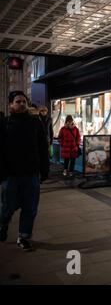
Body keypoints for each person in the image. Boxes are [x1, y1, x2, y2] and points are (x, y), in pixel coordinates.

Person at [0, 91, 49, 251]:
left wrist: (44, 169)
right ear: (10, 105)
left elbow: (43, 148)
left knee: (30, 208)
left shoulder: (35, 123)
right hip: (11, 175)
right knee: (7, 207)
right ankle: (3, 224)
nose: (21, 104)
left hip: (31, 174)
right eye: (18, 101)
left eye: (24, 102)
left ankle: (24, 236)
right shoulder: (5, 124)